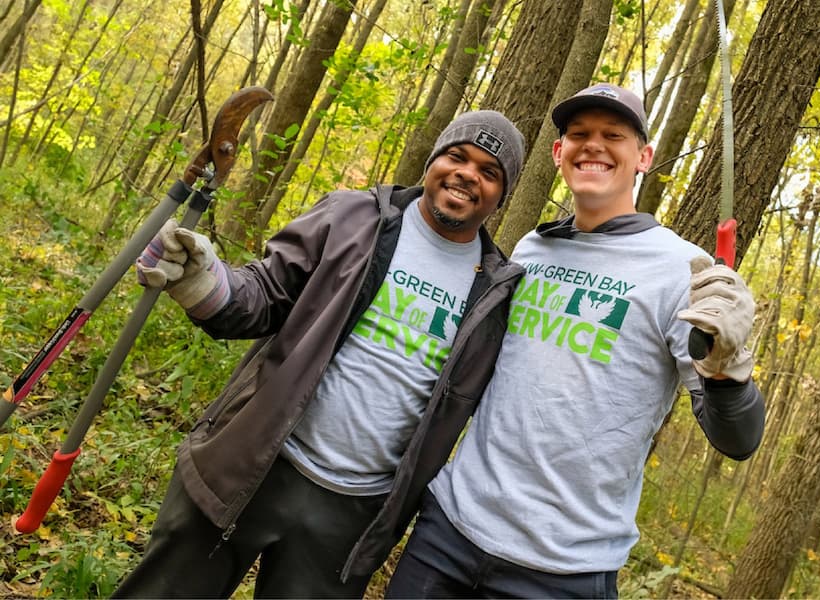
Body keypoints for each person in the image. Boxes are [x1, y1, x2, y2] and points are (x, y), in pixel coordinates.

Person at [112, 110, 526, 598]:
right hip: (254, 461)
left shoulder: (496, 293)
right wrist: (204, 282)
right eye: (457, 157)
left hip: (350, 515)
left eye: (488, 171)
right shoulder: (353, 217)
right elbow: (265, 293)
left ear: (502, 193)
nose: (467, 174)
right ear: (434, 160)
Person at [385, 83, 766, 599]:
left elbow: (737, 440)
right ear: (558, 153)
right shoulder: (532, 248)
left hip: (563, 571)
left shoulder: (684, 271)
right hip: (448, 534)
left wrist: (726, 370)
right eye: (579, 134)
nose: (594, 145)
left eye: (613, 135)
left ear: (644, 158)